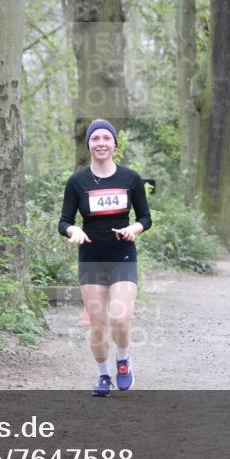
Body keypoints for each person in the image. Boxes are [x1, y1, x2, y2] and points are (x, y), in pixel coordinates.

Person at [59, 119, 152, 396]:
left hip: (122, 255)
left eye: (106, 138)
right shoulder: (77, 182)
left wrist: (134, 228)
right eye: (95, 138)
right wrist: (73, 229)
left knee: (120, 317)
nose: (101, 143)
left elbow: (145, 217)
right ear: (88, 144)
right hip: (91, 258)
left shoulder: (130, 179)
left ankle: (123, 360)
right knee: (98, 325)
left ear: (114, 143)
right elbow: (63, 221)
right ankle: (103, 376)